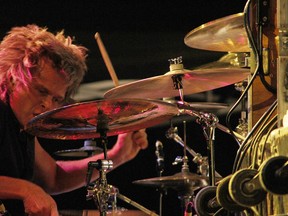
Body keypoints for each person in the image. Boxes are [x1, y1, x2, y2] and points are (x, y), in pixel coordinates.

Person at [0, 24, 148, 216]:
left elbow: (53, 178)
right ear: (13, 79)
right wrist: (26, 190)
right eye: (41, 91)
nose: (47, 104)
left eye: (56, 99)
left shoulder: (22, 127)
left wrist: (117, 155)